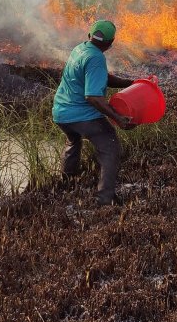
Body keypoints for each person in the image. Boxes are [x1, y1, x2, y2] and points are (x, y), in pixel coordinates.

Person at [52, 19, 135, 206]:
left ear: (89, 36)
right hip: (81, 115)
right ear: (110, 43)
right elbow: (93, 97)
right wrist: (118, 118)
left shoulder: (80, 49)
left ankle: (67, 183)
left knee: (73, 141)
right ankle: (105, 198)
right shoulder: (96, 58)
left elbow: (101, 77)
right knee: (110, 146)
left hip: (61, 113)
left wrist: (129, 83)